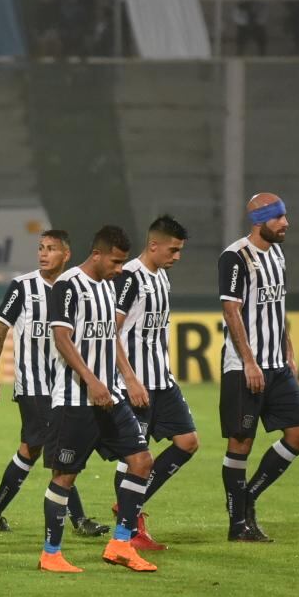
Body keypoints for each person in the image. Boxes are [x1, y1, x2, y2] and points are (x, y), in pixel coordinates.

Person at [39, 226, 157, 573]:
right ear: (97, 255)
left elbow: (111, 337)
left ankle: (120, 544)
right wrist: (91, 381)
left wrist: (130, 377)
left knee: (141, 461)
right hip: (75, 401)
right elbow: (62, 338)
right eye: (116, 262)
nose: (121, 269)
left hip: (111, 397)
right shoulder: (68, 285)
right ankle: (51, 554)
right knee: (65, 477)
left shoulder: (107, 287)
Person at [0, 230, 110, 537]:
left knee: (31, 449)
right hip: (33, 384)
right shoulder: (23, 286)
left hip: (64, 385)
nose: (43, 253)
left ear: (66, 254)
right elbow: (0, 331)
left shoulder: (76, 287)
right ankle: (78, 520)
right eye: (40, 248)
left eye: (51, 249)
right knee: (56, 446)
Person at [219, 193, 299, 542]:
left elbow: (278, 306)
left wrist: (287, 346)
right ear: (260, 221)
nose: (286, 223)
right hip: (245, 368)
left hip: (277, 365)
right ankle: (237, 525)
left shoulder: (278, 254)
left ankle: (248, 497)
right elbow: (231, 311)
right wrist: (248, 361)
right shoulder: (235, 257)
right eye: (279, 218)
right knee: (240, 444)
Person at [111, 215, 198, 551]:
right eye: (173, 250)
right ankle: (130, 527)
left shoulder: (161, 278)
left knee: (187, 442)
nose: (177, 256)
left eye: (180, 251)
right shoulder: (129, 278)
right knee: (134, 457)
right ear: (154, 245)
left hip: (162, 381)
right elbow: (110, 332)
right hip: (135, 384)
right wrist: (130, 379)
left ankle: (129, 508)